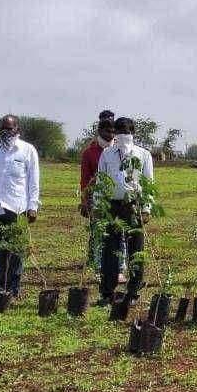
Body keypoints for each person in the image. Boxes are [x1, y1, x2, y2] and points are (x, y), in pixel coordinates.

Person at [0, 115, 40, 299]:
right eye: (2, 128)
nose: (5, 131)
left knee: (16, 251)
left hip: (17, 208)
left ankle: (13, 289)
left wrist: (33, 206)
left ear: (17, 130)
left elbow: (34, 181)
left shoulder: (28, 150)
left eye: (9, 128)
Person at [95, 117, 154, 304]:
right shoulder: (107, 153)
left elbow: (148, 183)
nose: (122, 135)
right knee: (110, 249)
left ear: (133, 133)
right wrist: (98, 205)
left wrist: (146, 208)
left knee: (135, 250)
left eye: (126, 132)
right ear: (115, 133)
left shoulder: (143, 154)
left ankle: (134, 292)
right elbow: (101, 181)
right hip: (112, 205)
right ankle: (107, 292)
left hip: (133, 204)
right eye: (119, 131)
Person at [79, 118, 119, 276]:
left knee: (115, 230)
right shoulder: (90, 152)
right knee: (97, 230)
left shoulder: (118, 150)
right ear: (100, 131)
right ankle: (96, 263)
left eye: (113, 131)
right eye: (108, 131)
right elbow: (84, 179)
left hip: (115, 197)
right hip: (97, 197)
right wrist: (85, 201)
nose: (111, 134)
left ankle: (113, 262)